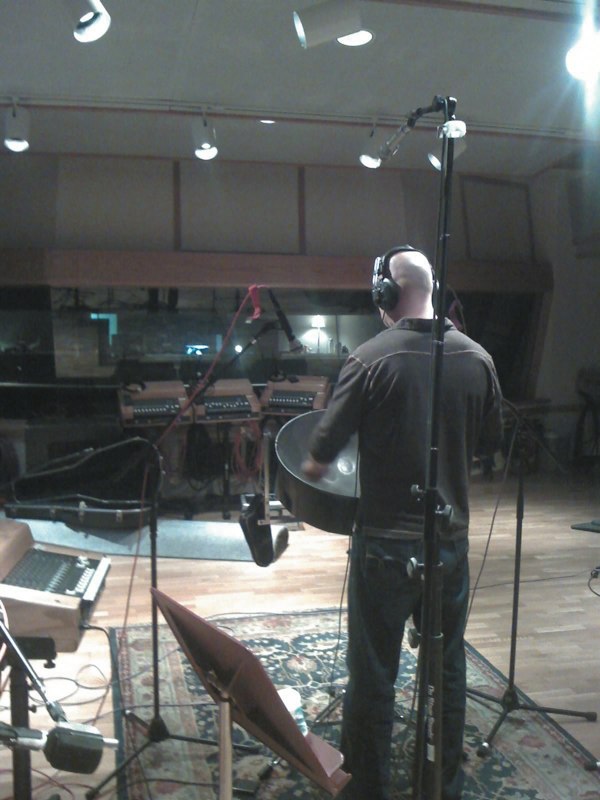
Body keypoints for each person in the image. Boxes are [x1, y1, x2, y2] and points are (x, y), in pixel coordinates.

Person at [302, 245, 503, 800]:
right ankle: (443, 783)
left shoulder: (368, 359)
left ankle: (366, 787)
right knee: (448, 668)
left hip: (385, 547)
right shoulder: (479, 359)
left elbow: (319, 456)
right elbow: (490, 443)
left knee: (373, 673)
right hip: (450, 544)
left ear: (384, 295)